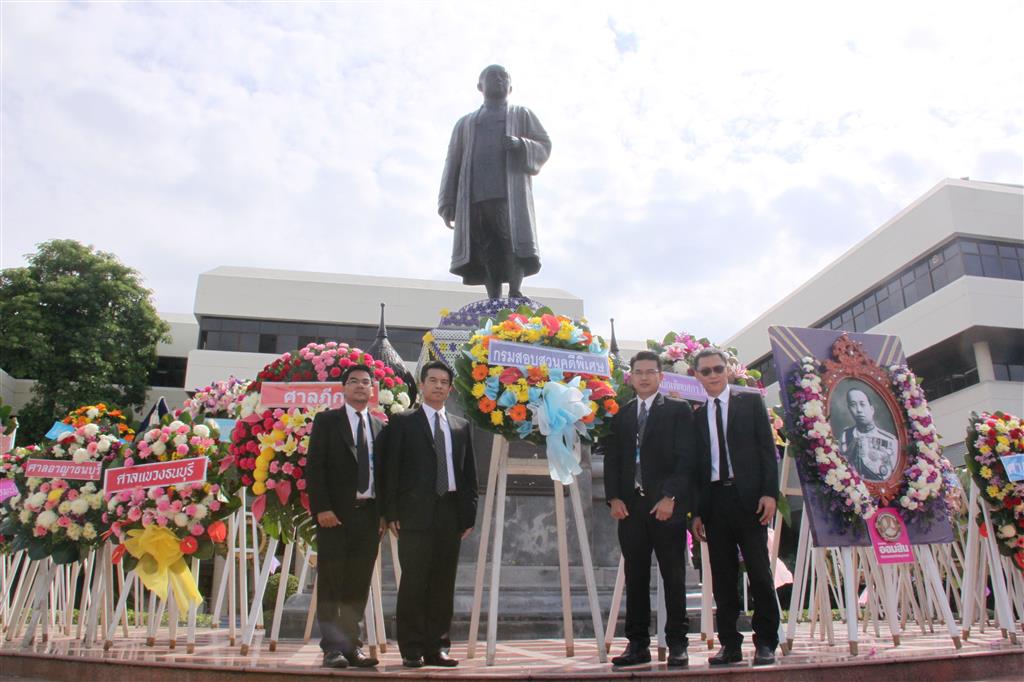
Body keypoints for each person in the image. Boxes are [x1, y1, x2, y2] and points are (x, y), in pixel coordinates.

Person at [602, 350, 695, 667]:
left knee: (674, 576)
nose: (643, 377)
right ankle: (637, 644)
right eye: (638, 371)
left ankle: (678, 643)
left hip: (665, 507)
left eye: (649, 371)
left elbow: (687, 460)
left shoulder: (678, 411)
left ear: (661, 376)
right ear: (630, 376)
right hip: (630, 510)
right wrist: (614, 497)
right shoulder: (622, 414)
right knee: (636, 577)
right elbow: (613, 461)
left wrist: (671, 497)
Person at [384, 360, 478, 668]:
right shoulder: (402, 422)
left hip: (450, 513)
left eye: (444, 382)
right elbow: (391, 471)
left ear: (450, 389)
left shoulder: (460, 426)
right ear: (421, 385)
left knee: (442, 583)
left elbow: (468, 475)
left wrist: (468, 516)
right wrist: (391, 511)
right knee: (414, 582)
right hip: (414, 514)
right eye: (432, 380)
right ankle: (411, 648)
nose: (438, 386)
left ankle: (437, 647)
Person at [690, 348, 780, 667]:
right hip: (715, 502)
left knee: (759, 572)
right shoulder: (697, 415)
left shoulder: (750, 403)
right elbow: (698, 468)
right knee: (723, 578)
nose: (713, 375)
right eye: (706, 371)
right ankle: (730, 644)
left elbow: (768, 452)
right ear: (697, 376)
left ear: (727, 370)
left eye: (717, 368)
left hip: (750, 500)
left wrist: (770, 494)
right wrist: (697, 512)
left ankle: (766, 642)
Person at [438, 64, 551, 300]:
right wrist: (447, 200)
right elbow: (453, 162)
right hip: (474, 195)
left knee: (512, 240)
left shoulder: (521, 114)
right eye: (493, 76)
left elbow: (544, 144)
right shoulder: (466, 123)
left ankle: (516, 291)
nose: (499, 80)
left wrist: (522, 144)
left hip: (509, 193)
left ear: (511, 86)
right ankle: (493, 296)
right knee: (485, 246)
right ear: (480, 86)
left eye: (504, 77)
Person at [303, 364, 385, 669]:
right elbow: (315, 468)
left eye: (366, 382)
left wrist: (384, 515)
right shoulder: (327, 421)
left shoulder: (379, 427)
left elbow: (385, 475)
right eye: (354, 382)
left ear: (372, 389)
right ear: (344, 388)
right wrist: (322, 507)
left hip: (369, 517)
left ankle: (352, 646)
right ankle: (331, 648)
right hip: (334, 516)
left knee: (357, 584)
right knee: (332, 583)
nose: (361, 386)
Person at [839, 388, 898, 482]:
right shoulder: (846, 436)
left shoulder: (890, 440)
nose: (858, 410)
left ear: (872, 409)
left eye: (862, 404)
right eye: (853, 405)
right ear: (849, 409)